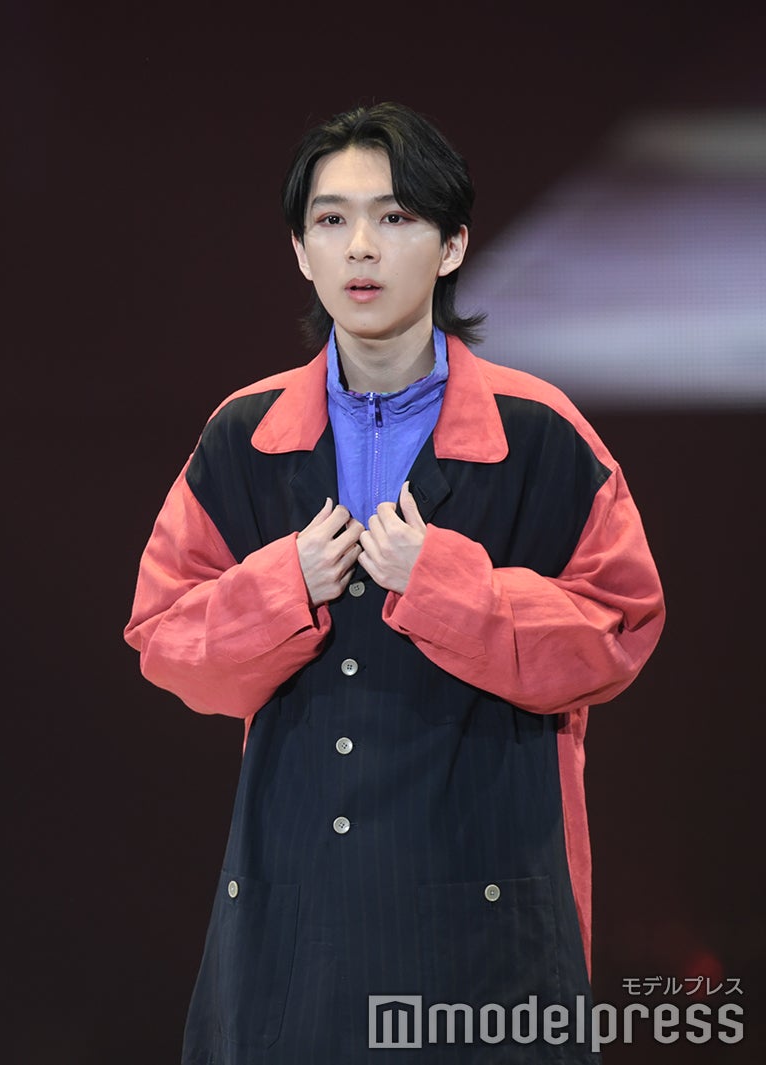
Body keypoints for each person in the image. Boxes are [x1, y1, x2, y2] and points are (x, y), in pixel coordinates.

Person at [124, 102, 664, 1063]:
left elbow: (619, 629)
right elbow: (164, 638)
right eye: (331, 220)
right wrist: (283, 584)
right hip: (296, 919)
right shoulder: (243, 436)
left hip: (489, 920)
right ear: (301, 251)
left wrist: (447, 584)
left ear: (452, 245)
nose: (361, 247)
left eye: (396, 216)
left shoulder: (541, 433)